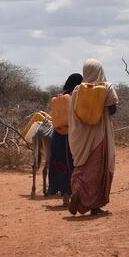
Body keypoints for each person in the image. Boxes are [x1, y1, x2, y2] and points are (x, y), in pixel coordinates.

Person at [66, 59, 119, 216]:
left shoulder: (77, 90)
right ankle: (95, 205)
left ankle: (77, 190)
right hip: (100, 134)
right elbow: (113, 110)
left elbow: (73, 112)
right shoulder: (107, 87)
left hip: (80, 136)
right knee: (98, 168)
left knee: (82, 166)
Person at [46, 72, 81, 202]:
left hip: (57, 135)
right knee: (72, 163)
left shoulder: (60, 96)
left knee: (58, 162)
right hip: (72, 135)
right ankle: (72, 191)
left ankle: (60, 190)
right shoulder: (77, 96)